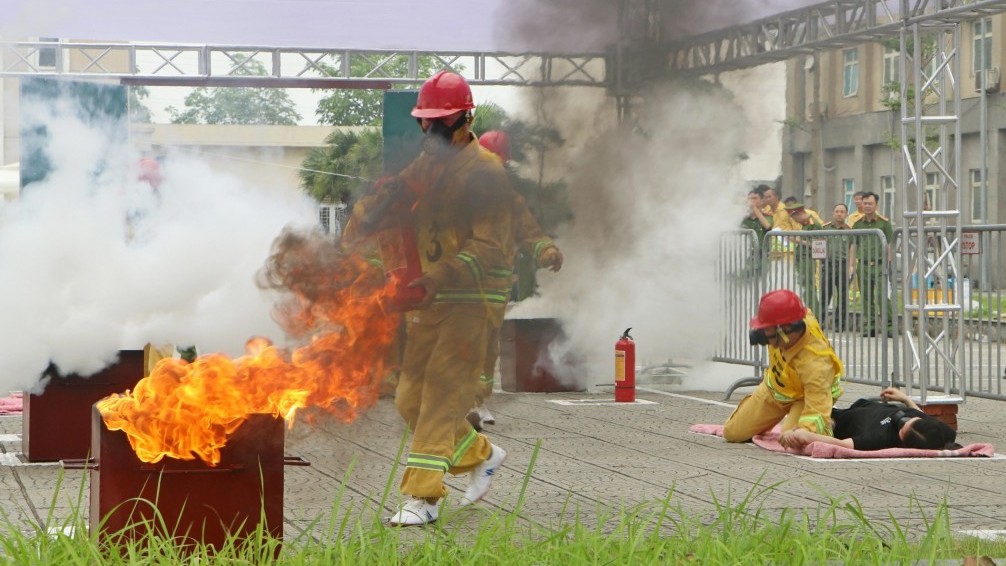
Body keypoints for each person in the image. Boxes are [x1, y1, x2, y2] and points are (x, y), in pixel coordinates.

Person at [354, 70, 512, 526]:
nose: (432, 130)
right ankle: (483, 454)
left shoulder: (487, 174)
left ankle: (422, 499)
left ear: (466, 118)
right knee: (410, 401)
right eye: (427, 121)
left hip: (468, 303)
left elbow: (488, 246)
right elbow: (393, 202)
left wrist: (439, 276)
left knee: (440, 398)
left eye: (441, 121)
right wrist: (370, 212)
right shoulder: (427, 167)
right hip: (427, 306)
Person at [467, 130, 563, 430]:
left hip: (496, 288)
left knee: (486, 350)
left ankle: (477, 402)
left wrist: (545, 251)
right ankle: (459, 404)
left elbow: (528, 232)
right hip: (463, 285)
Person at [723, 289, 844, 445]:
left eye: (768, 330)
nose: (764, 335)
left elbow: (816, 406)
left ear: (785, 329)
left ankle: (829, 424)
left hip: (806, 398)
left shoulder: (815, 362)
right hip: (774, 389)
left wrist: (807, 430)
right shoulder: (791, 321)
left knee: (791, 439)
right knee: (732, 432)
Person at [779, 387, 961, 451]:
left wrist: (808, 437)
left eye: (904, 426)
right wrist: (905, 399)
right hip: (865, 406)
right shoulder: (936, 431)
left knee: (808, 409)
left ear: (902, 438)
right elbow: (918, 414)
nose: (904, 419)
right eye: (909, 420)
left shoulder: (879, 439)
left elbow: (842, 445)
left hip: (839, 419)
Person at [848, 192, 894, 337]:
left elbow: (889, 244)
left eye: (870, 203)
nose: (867, 206)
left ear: (876, 205)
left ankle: (889, 326)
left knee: (882, 295)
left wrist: (889, 263)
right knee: (866, 297)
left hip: (880, 265)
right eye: (865, 203)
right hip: (864, 265)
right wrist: (851, 265)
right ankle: (871, 326)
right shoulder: (857, 224)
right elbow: (854, 245)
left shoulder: (884, 223)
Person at [820, 203, 853, 331]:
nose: (839, 214)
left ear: (846, 214)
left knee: (843, 296)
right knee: (824, 295)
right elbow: (820, 246)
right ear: (833, 213)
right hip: (828, 265)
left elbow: (852, 247)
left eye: (842, 211)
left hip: (843, 265)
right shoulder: (825, 229)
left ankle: (839, 324)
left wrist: (851, 265)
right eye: (837, 211)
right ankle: (820, 322)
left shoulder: (849, 230)